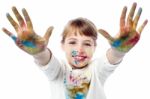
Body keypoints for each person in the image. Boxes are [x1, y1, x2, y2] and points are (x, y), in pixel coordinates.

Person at [2, 2, 148, 99]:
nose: (79, 49)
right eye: (72, 42)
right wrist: (39, 53)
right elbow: (46, 62)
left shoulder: (97, 69)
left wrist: (119, 51)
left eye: (87, 44)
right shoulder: (59, 70)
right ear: (62, 45)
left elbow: (111, 59)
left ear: (94, 48)